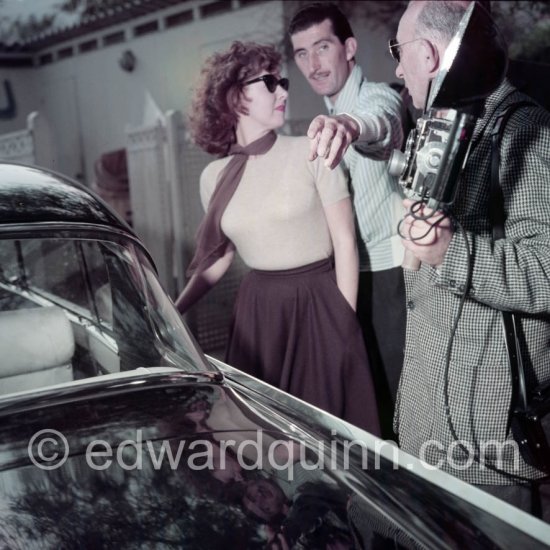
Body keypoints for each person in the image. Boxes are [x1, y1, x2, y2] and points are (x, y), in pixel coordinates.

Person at [391, 0, 550, 520]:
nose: (396, 68)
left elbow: (545, 273)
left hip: (487, 438)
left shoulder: (525, 129)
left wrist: (448, 249)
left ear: (430, 53)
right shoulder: (446, 124)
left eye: (399, 51)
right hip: (429, 418)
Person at [176, 41, 380, 436]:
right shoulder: (213, 178)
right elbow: (219, 259)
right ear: (235, 97)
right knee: (264, 437)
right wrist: (172, 309)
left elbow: (345, 244)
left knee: (325, 438)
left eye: (282, 81)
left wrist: (344, 321)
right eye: (270, 83)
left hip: (318, 306)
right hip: (258, 314)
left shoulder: (312, 150)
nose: (284, 91)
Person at [289, 3, 406, 439]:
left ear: (349, 48)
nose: (312, 64)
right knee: (366, 407)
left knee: (398, 408)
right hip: (345, 279)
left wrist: (349, 125)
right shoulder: (319, 121)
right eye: (301, 54)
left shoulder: (377, 97)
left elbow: (383, 119)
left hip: (390, 277)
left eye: (322, 47)